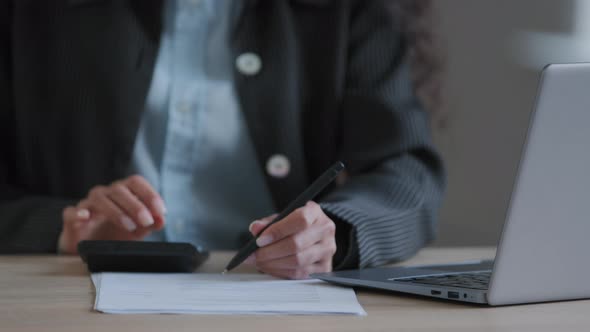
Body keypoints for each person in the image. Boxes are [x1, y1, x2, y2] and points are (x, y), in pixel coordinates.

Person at [0, 0, 445, 279]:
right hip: (66, 300)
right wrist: (63, 225)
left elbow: (406, 173)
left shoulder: (354, 10)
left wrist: (335, 232)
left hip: (277, 301)